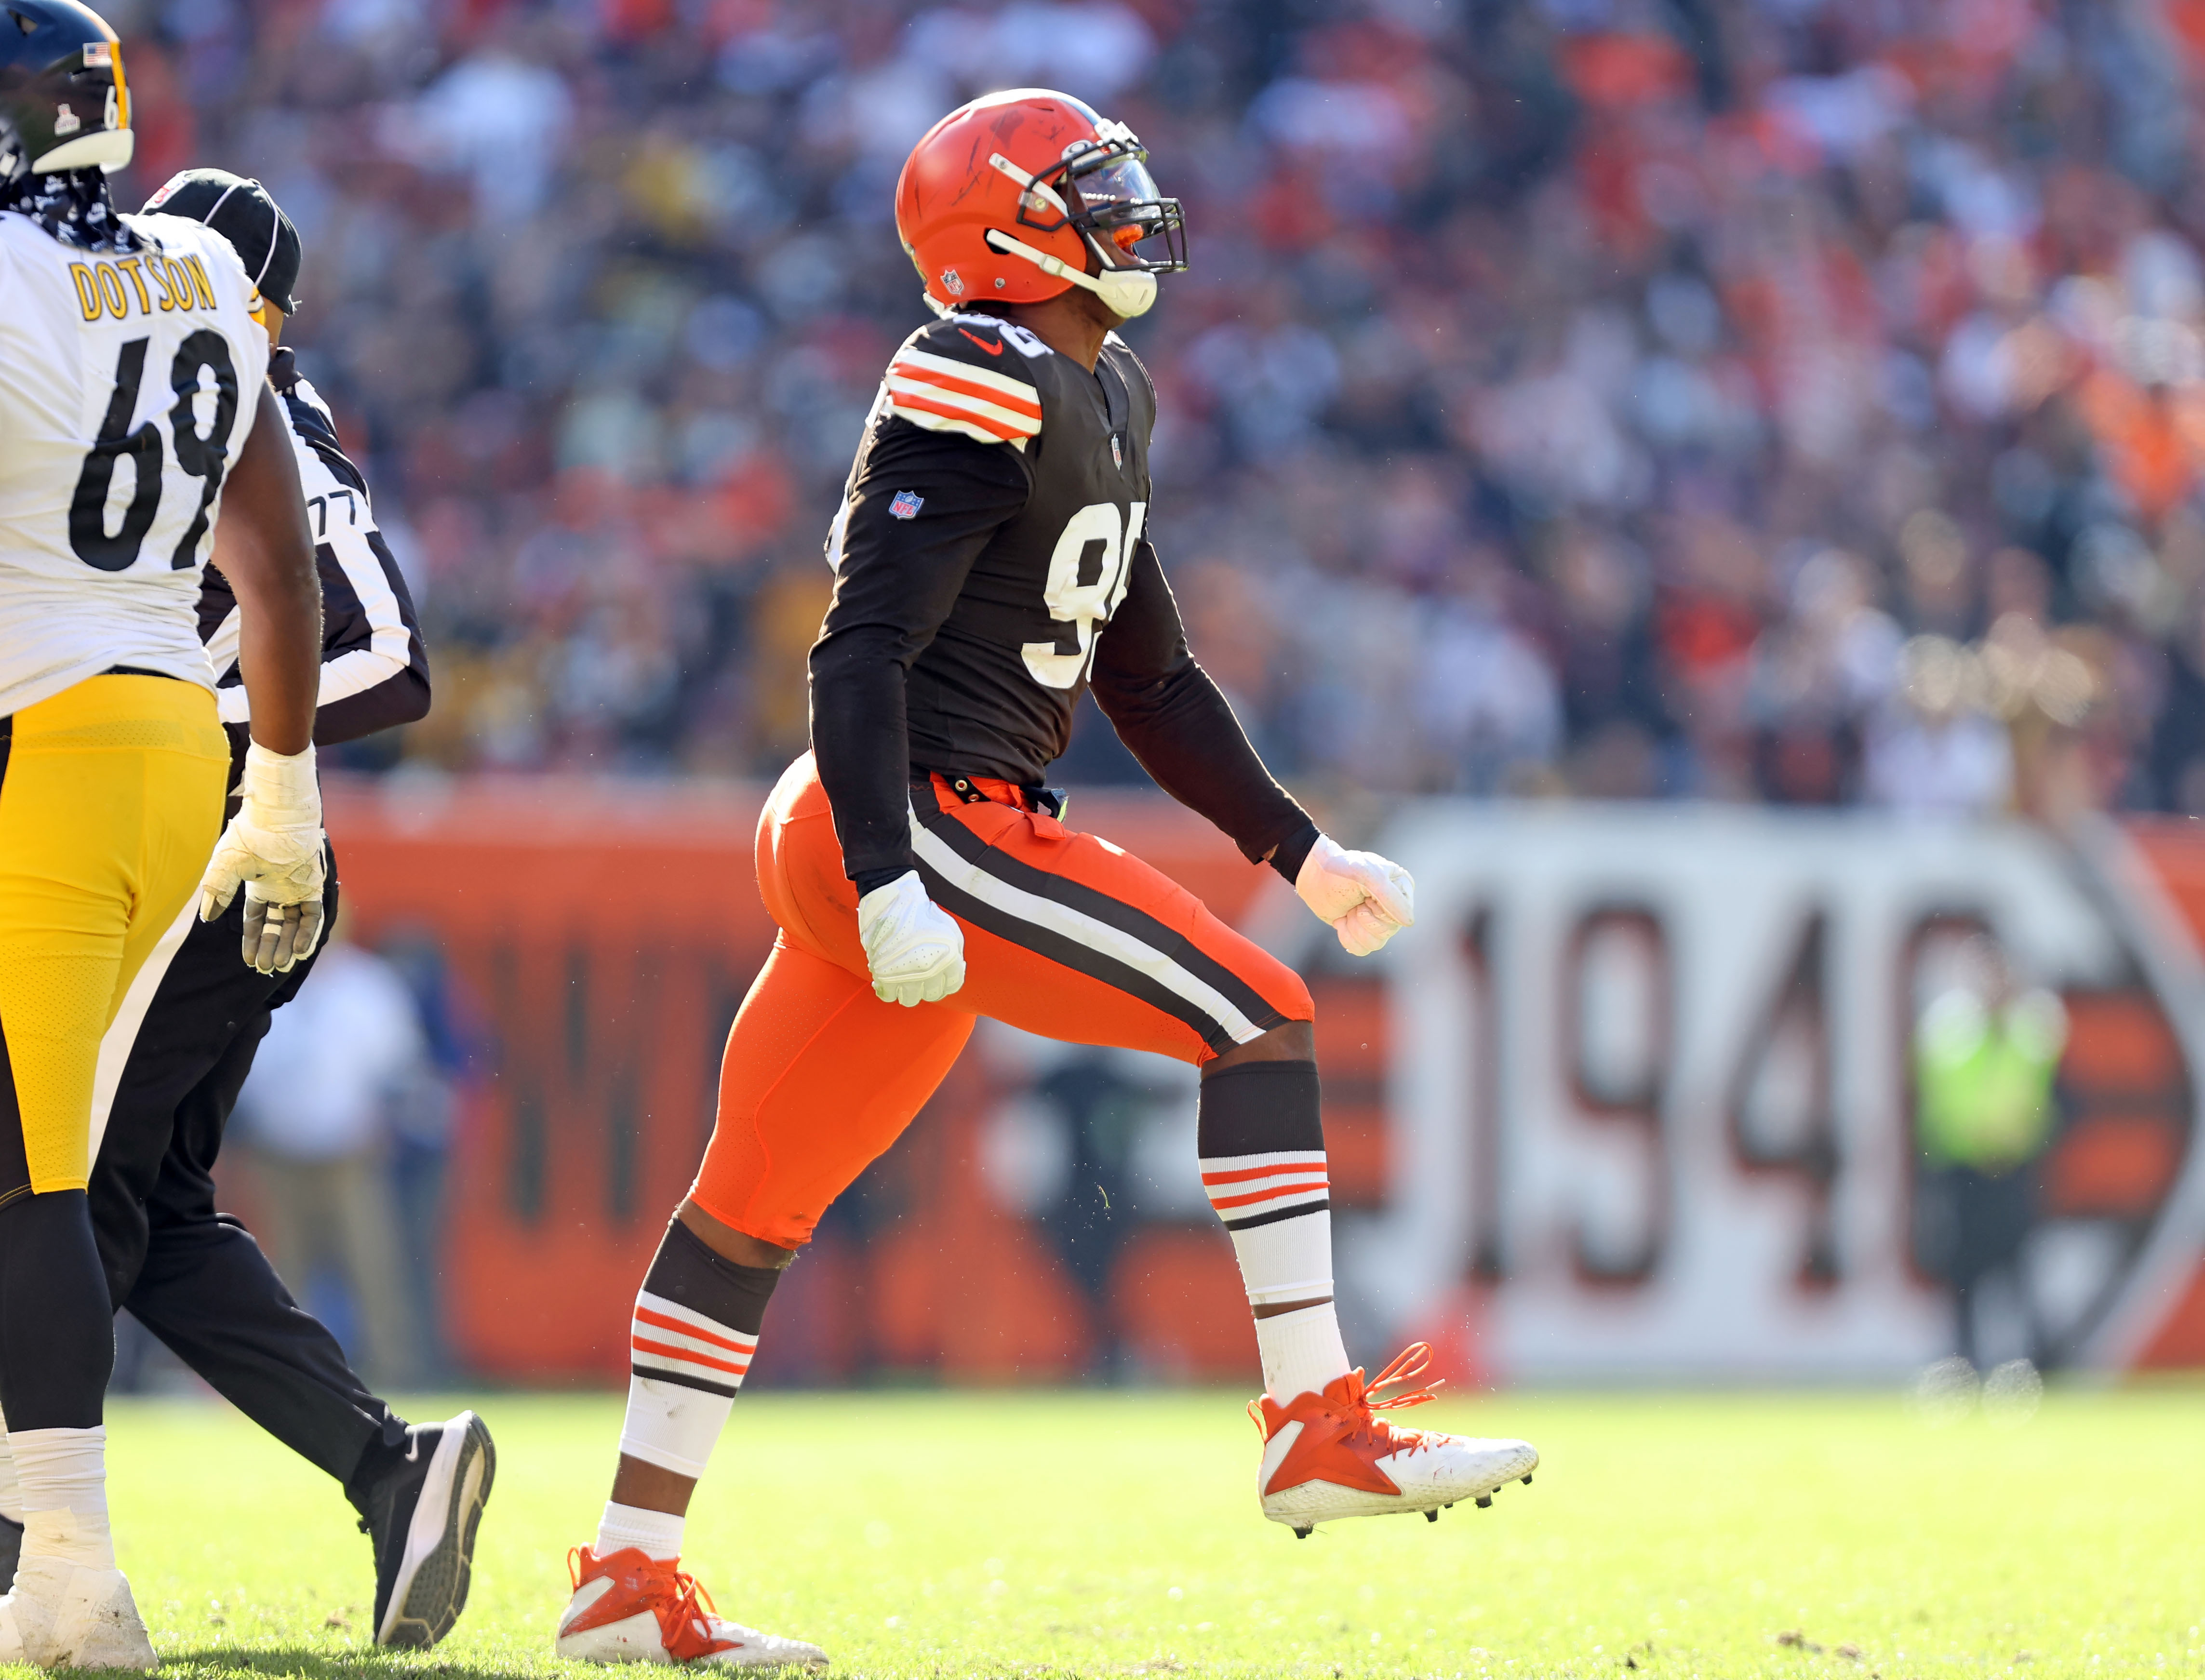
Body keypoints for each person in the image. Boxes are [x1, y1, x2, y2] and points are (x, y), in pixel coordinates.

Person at [551, 90, 1538, 1670]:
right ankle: (1315, 1423)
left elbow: (1151, 678)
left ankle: (623, 1569)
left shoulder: (1102, 382)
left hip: (911, 819)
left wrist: (1302, 846)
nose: (1132, 205)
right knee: (1257, 1014)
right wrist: (890, 872)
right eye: (1093, 186)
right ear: (1004, 225)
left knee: (745, 1210)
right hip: (922, 812)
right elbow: (857, 642)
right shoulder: (976, 361)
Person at [0, 167, 491, 1652]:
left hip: (200, 843)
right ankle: (385, 1470)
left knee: (64, 1188)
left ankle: (52, 1544)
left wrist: (217, 734)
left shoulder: (266, 414)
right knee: (134, 1201)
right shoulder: (155, 370)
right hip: (181, 822)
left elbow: (393, 651)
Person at [0, 9, 327, 1665]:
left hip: (31, 739)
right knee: (34, 1158)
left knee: (32, 1168)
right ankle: (38, 1539)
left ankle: (65, 1559)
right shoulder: (200, 265)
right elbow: (277, 562)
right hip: (167, 740)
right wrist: (282, 788)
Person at [232, 912, 427, 1389]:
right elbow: (241, 1064)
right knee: (282, 1271)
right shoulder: (260, 980)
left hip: (349, 1153)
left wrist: (384, 1119)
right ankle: (287, 1375)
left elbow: (401, 1067)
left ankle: (395, 1371)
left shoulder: (368, 987)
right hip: (277, 1151)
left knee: (372, 1266)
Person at [1914, 934, 2068, 1370]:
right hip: (1963, 1170)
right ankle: (1964, 1362)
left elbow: (2052, 1100)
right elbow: (1940, 1106)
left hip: (2015, 1169)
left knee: (2018, 1271)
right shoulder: (1950, 1034)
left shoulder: (2033, 1033)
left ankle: (2032, 1362)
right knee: (1964, 1275)